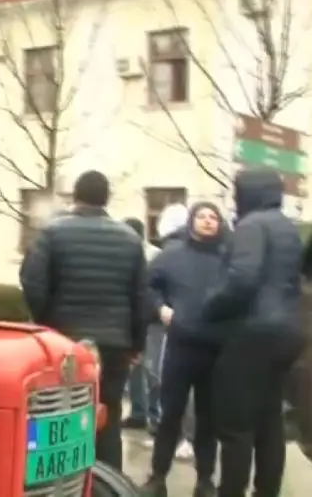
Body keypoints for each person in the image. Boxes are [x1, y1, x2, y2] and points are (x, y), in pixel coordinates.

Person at [19, 170, 148, 471]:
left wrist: (45, 324)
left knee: (56, 412)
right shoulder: (130, 240)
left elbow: (32, 282)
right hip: (115, 343)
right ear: (107, 199)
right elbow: (142, 298)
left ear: (75, 196)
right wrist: (136, 344)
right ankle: (108, 480)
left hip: (64, 341)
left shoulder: (53, 233)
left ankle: (58, 480)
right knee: (109, 413)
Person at [202, 167, 305, 497]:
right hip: (288, 332)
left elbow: (242, 280)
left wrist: (212, 306)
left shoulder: (251, 225)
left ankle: (231, 491)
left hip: (254, 331)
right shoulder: (287, 227)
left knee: (236, 426)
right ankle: (267, 491)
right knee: (269, 421)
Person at [141, 202, 231, 497]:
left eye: (213, 217)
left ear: (219, 223)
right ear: (192, 222)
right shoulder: (172, 255)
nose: (207, 221)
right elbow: (146, 286)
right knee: (170, 414)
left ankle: (205, 480)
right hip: (180, 345)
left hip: (216, 349)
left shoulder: (230, 257)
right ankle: (157, 477)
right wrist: (160, 309)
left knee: (209, 418)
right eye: (202, 216)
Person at [123, 217, 162, 432]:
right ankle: (139, 413)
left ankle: (154, 416)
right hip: (136, 318)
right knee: (136, 368)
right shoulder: (139, 253)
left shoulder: (153, 256)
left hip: (151, 320)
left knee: (152, 369)